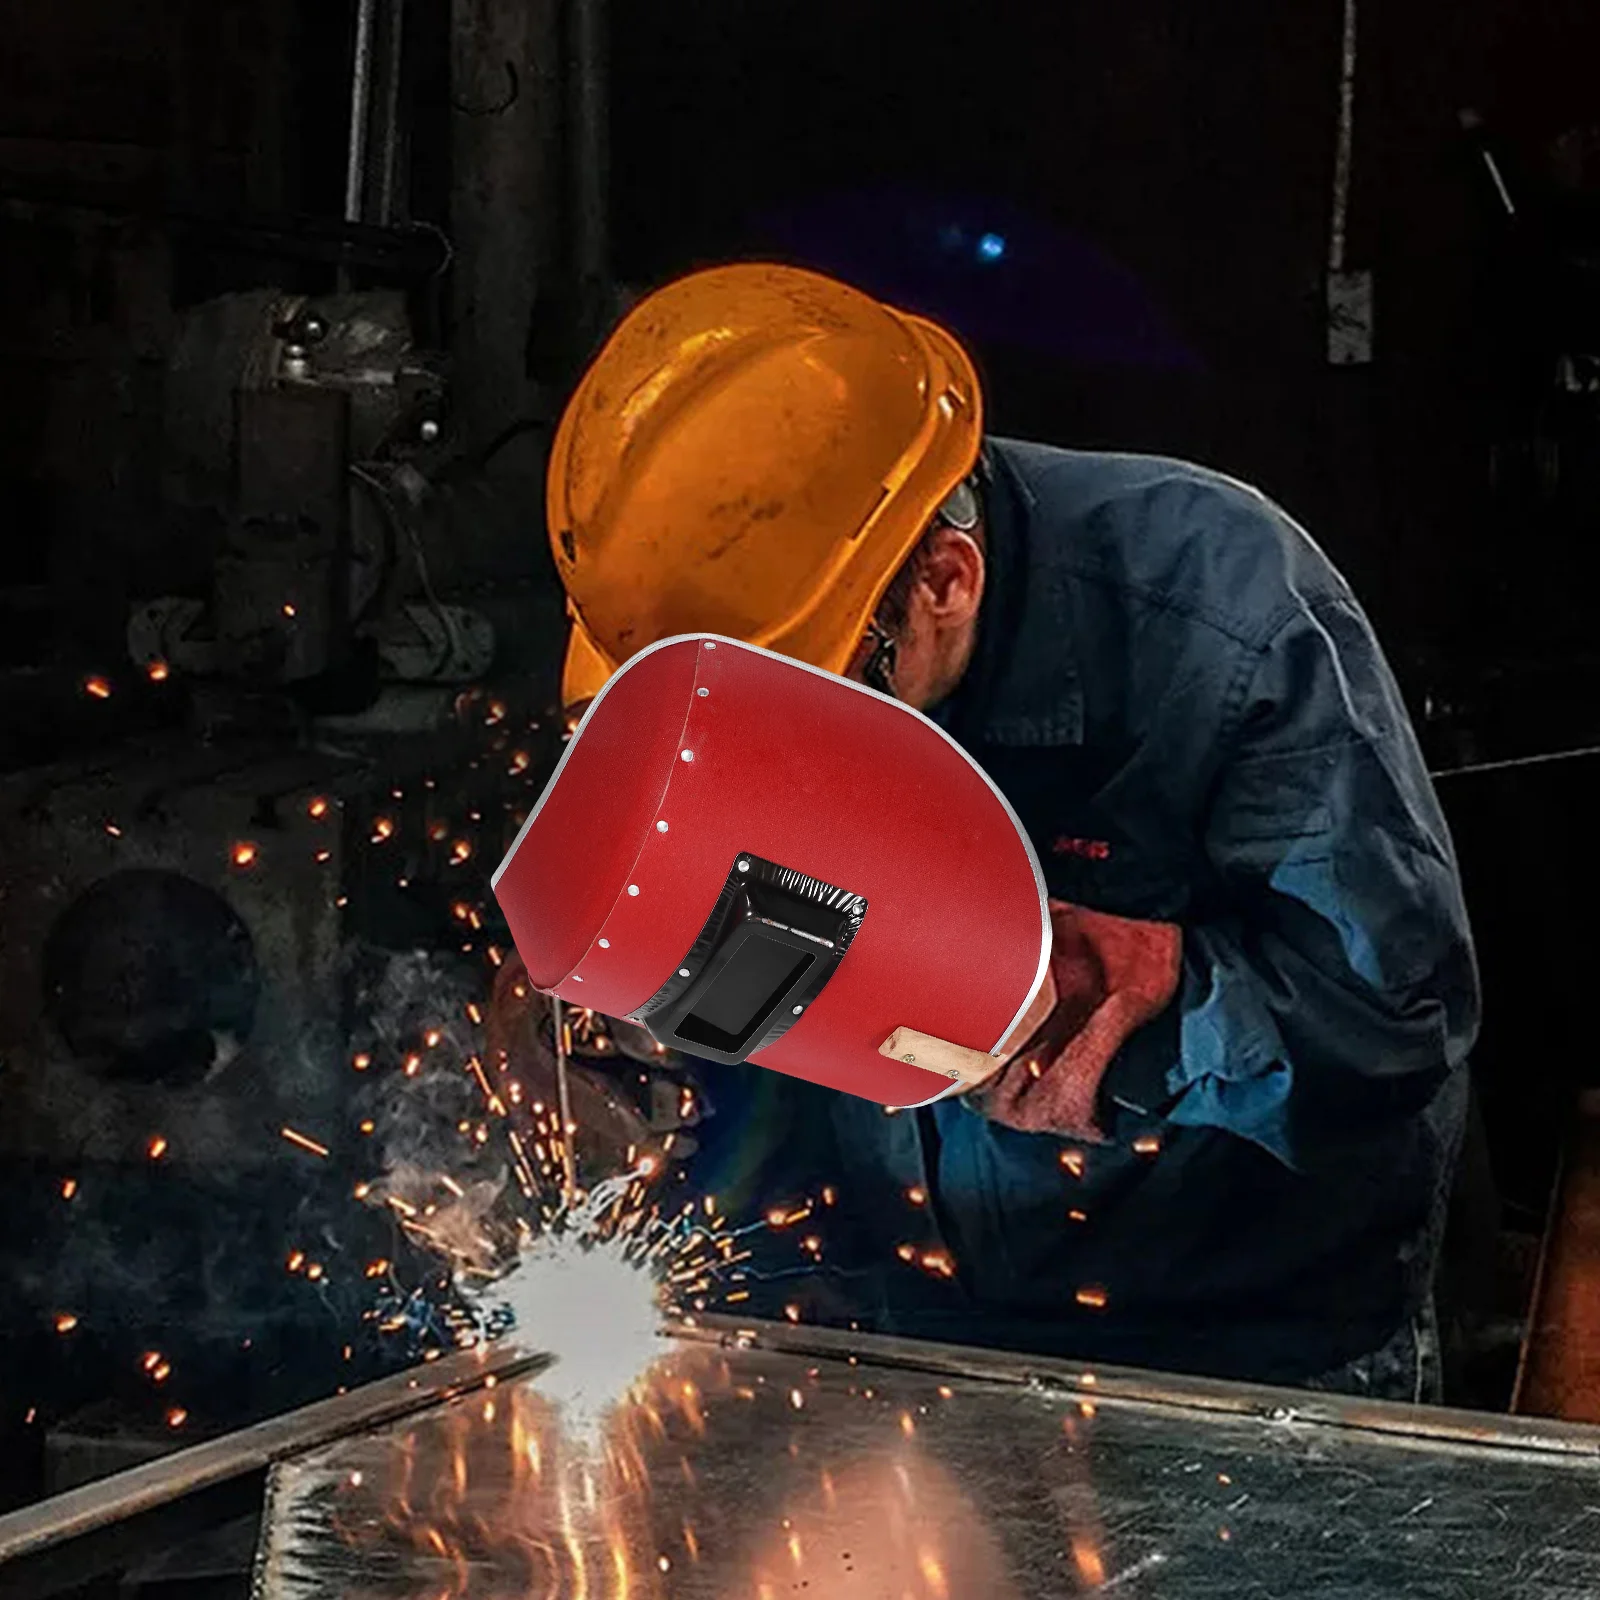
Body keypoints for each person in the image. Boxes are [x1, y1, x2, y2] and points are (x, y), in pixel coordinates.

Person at [544, 262, 1480, 1401]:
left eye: (808, 705)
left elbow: (1391, 1026)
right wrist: (645, 1035)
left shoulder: (1222, 614)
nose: (773, 768)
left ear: (943, 579)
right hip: (910, 1321)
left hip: (1244, 1346)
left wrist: (1090, 1001)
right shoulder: (741, 676)